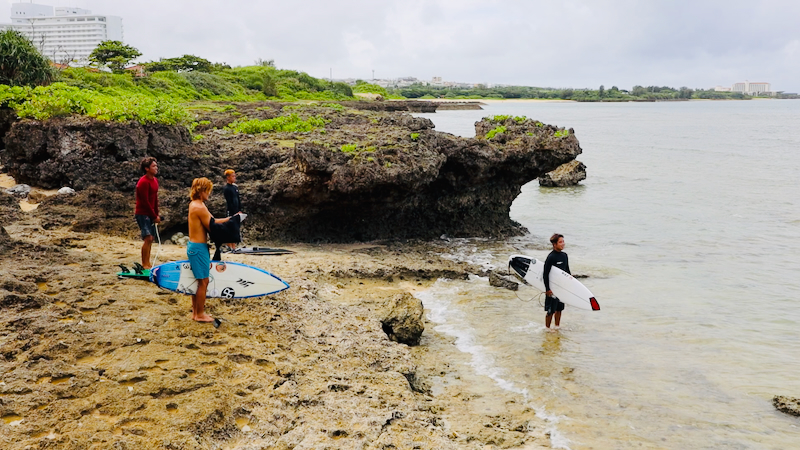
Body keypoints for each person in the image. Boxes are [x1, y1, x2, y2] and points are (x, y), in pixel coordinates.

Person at [187, 177, 232, 323]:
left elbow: (213, 221)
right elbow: (212, 227)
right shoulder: (199, 207)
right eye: (208, 191)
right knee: (203, 281)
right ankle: (199, 314)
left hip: (197, 247)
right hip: (198, 249)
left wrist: (231, 219)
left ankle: (196, 313)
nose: (209, 194)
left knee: (199, 281)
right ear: (201, 191)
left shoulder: (196, 204)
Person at [134, 157, 161, 270]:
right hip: (142, 212)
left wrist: (156, 214)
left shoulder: (154, 180)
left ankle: (148, 263)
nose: (156, 168)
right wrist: (153, 215)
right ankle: (144, 263)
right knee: (148, 238)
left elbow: (154, 199)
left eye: (156, 166)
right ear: (146, 168)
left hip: (150, 213)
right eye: (153, 166)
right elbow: (144, 201)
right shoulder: (143, 182)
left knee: (151, 239)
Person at [543, 233, 569, 331]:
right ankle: (547, 329)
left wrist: (569, 285)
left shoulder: (564, 256)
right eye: (560, 242)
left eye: (563, 241)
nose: (563, 244)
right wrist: (547, 289)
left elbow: (567, 272)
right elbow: (545, 274)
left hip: (561, 287)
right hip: (552, 288)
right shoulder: (551, 257)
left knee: (559, 308)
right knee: (551, 310)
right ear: (554, 244)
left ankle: (557, 327)